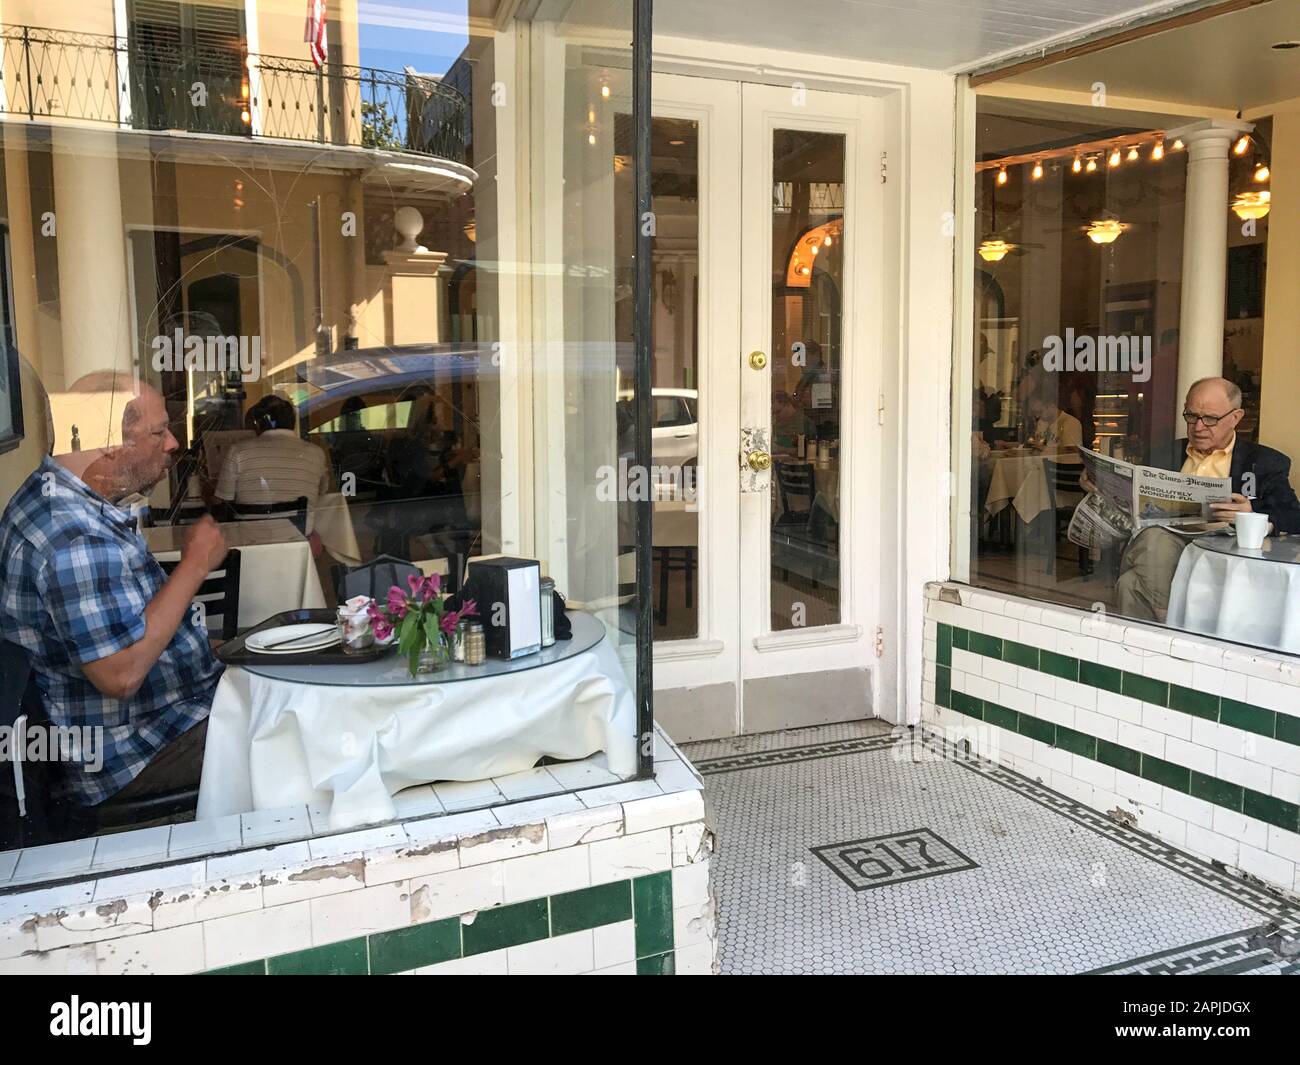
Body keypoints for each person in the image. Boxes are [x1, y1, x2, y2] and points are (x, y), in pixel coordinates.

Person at [0, 372, 228, 816]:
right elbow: (121, 675)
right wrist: (195, 565)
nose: (173, 443)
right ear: (108, 441)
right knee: (294, 730)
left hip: (152, 720)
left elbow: (130, 625)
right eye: (158, 432)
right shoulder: (72, 536)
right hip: (128, 754)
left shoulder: (58, 496)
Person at [1114, 376, 1300, 621]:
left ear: (1236, 417)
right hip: (1165, 545)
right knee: (1151, 544)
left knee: (1132, 582)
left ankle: (1166, 625)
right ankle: (1166, 623)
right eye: (1191, 416)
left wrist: (1252, 516)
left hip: (1221, 551)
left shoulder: (1264, 462)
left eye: (1210, 418)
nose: (1198, 427)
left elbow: (1294, 516)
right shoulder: (1164, 453)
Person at [214, 395, 331, 512]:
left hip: (247, 530)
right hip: (298, 530)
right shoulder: (316, 454)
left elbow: (223, 504)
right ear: (293, 421)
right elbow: (323, 493)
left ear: (257, 424)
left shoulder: (238, 452)